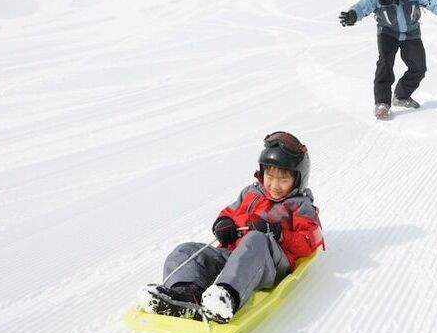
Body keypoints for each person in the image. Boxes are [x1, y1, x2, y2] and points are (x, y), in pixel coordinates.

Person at [137, 132, 323, 323]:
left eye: (283, 180)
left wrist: (280, 234)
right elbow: (229, 212)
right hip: (232, 256)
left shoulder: (300, 205)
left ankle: (225, 298)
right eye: (270, 176)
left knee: (256, 239)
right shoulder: (251, 193)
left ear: (298, 179)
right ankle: (184, 294)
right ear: (262, 172)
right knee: (186, 250)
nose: (274, 185)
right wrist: (223, 223)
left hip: (269, 264)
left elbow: (312, 240)